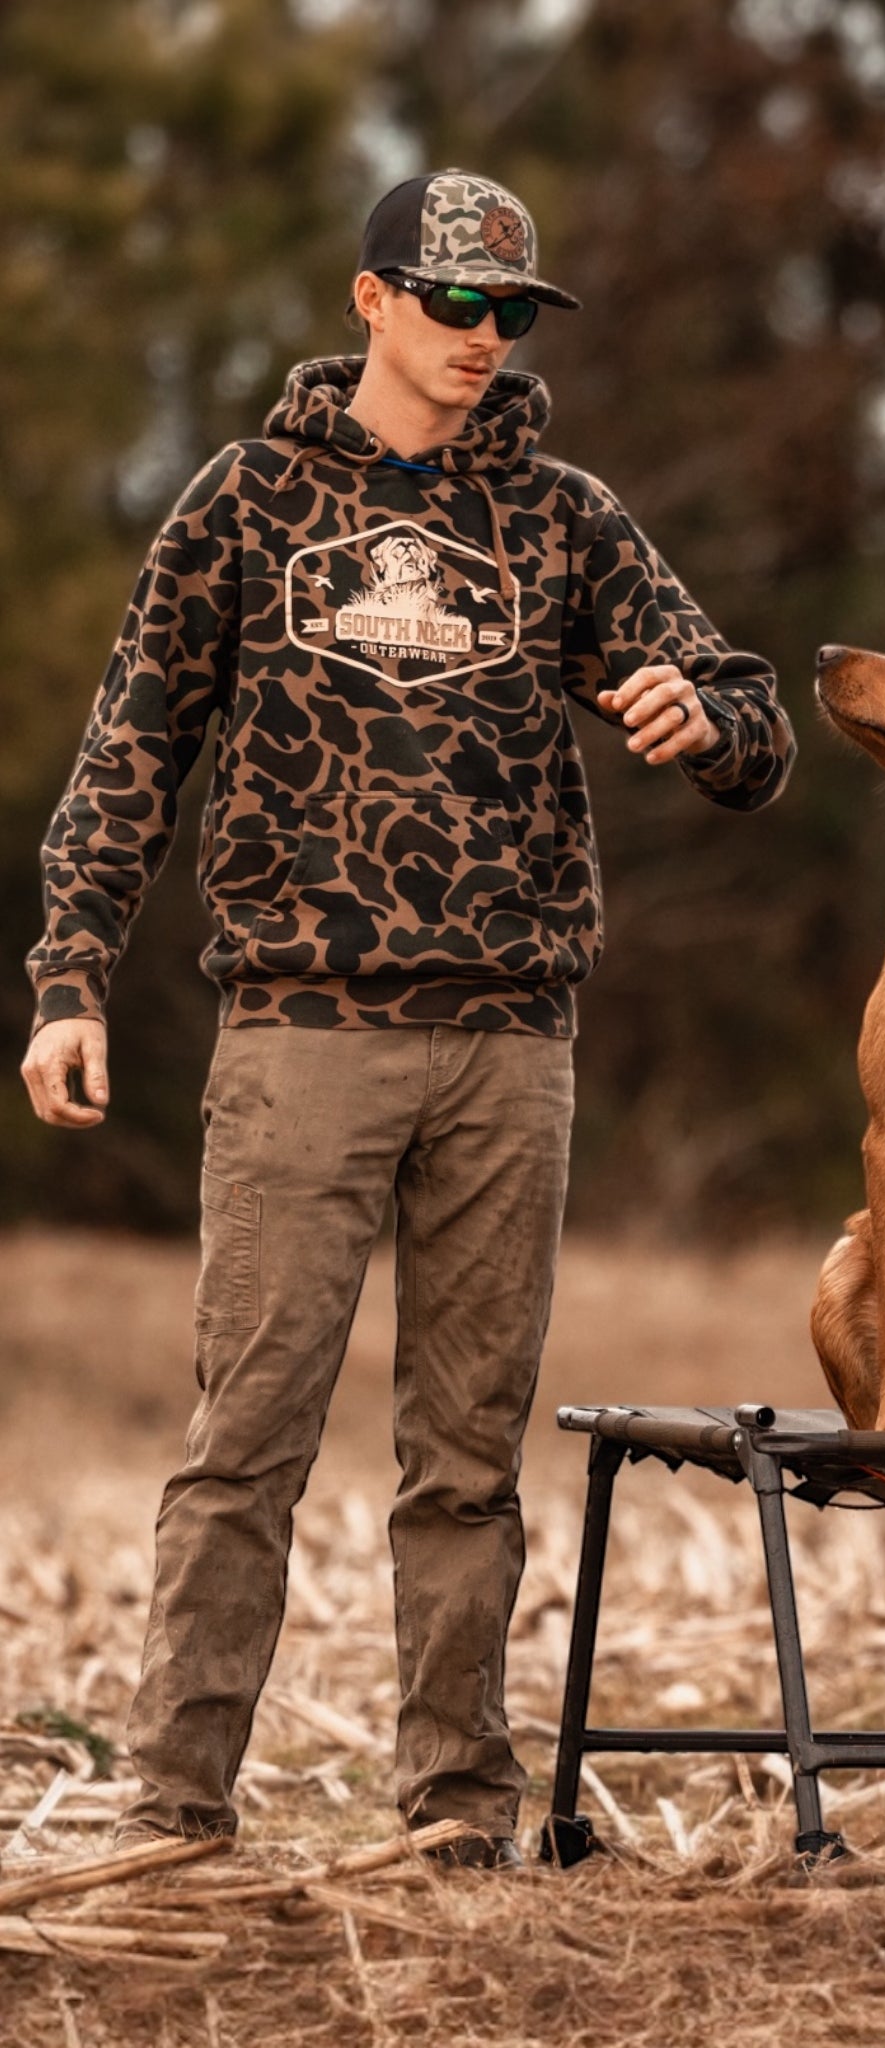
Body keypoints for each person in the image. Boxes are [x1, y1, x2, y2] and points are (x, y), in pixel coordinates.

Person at [21, 169, 794, 1867]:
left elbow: (751, 722)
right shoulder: (244, 501)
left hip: (513, 1044)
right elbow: (130, 753)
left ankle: (457, 1810)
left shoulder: (568, 518)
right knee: (246, 1443)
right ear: (371, 301)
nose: (485, 340)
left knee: (468, 1461)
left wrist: (703, 721)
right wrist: (69, 981)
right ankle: (172, 1803)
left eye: (512, 313)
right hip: (299, 1035)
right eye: (455, 304)